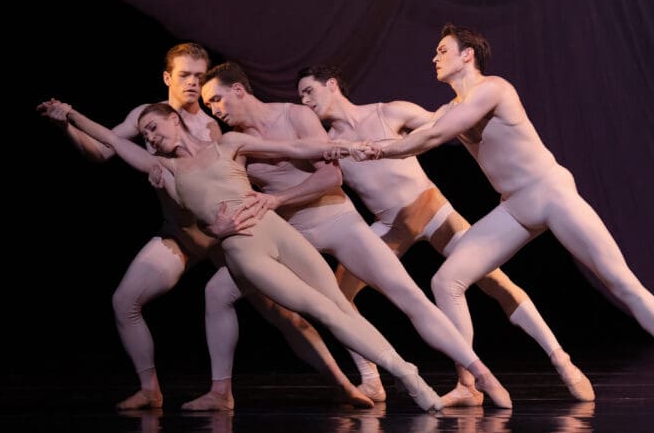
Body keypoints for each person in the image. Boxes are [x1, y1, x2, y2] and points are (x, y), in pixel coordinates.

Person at [349, 23, 654, 405]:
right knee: (446, 280)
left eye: (443, 50)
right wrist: (356, 146)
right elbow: (419, 133)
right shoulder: (449, 109)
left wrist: (378, 152)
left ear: (467, 55)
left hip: (549, 191)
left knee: (619, 280)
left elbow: (429, 139)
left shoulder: (494, 89)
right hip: (514, 208)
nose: (435, 57)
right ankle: (468, 384)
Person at [37, 97, 446, 413]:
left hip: (278, 232)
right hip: (245, 252)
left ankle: (406, 372)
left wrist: (348, 148)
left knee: (342, 306)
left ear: (174, 119)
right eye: (144, 133)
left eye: (154, 127)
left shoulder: (229, 144)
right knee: (320, 311)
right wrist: (70, 114)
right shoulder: (164, 170)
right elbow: (109, 139)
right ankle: (406, 376)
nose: (151, 137)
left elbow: (292, 145)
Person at [200, 62, 512, 409]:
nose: (214, 109)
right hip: (292, 235)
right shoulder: (233, 143)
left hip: (338, 219)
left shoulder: (294, 116)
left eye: (216, 99)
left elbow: (330, 178)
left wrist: (277, 199)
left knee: (408, 295)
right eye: (209, 105)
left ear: (239, 90)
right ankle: (222, 392)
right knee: (218, 292)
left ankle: (481, 374)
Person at [295, 65, 594, 406]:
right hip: (390, 226)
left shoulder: (388, 111)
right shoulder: (329, 144)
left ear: (332, 84)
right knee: (337, 294)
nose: (305, 101)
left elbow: (445, 127)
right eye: (300, 96)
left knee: (495, 282)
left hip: (431, 210)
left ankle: (561, 360)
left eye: (309, 91)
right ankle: (372, 380)